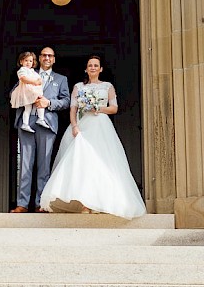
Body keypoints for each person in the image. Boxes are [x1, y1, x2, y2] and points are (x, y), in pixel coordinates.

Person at [39, 55, 146, 218]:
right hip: (83, 126)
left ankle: (100, 202)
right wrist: (74, 126)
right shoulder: (78, 86)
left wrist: (97, 107)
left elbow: (114, 108)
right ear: (86, 69)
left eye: (96, 65)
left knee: (101, 163)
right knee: (82, 163)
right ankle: (84, 204)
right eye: (90, 65)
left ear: (101, 69)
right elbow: (73, 109)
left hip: (101, 126)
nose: (93, 68)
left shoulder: (107, 86)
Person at [12, 46, 70, 213]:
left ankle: (41, 203)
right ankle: (22, 204)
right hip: (27, 121)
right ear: (39, 57)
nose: (47, 58)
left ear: (54, 59)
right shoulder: (27, 71)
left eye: (50, 56)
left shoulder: (61, 79)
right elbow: (14, 93)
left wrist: (49, 103)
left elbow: (66, 101)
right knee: (25, 164)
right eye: (44, 55)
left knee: (44, 166)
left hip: (48, 123)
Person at [11, 51, 49, 132]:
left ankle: (31, 122)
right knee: (36, 102)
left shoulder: (32, 71)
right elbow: (23, 79)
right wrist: (34, 82)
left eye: (30, 61)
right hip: (26, 91)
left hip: (30, 90)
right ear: (21, 61)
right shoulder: (22, 70)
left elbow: (38, 77)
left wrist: (39, 80)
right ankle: (36, 120)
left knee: (31, 107)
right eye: (26, 60)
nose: (28, 63)